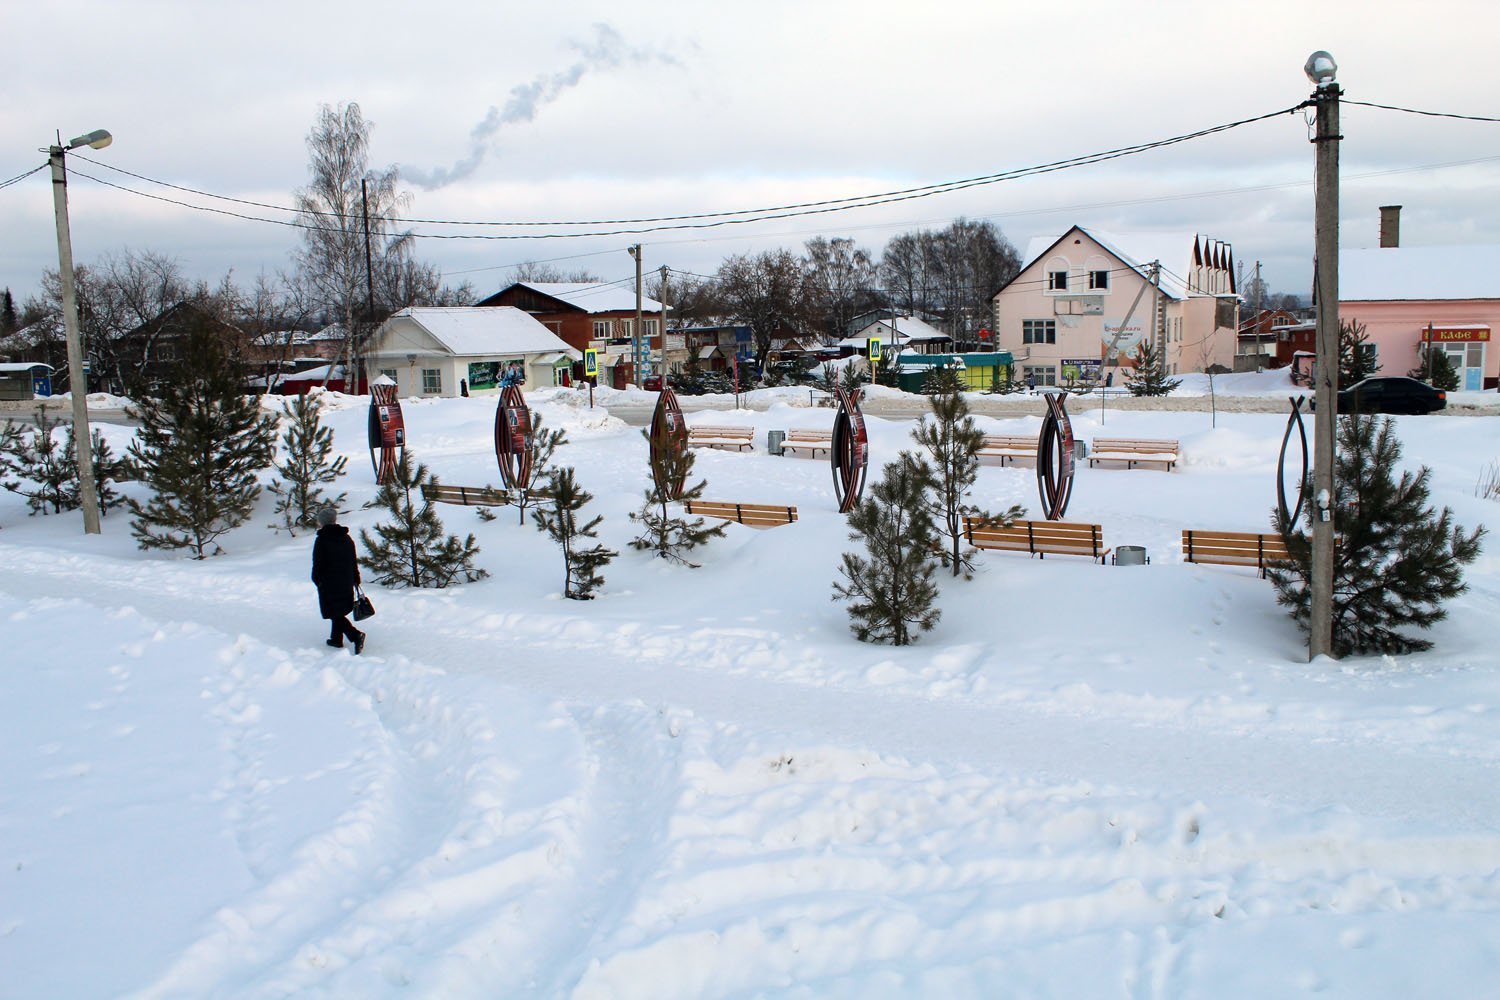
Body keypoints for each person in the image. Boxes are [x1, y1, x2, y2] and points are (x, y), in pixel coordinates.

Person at [311, 506, 365, 654]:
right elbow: (353, 561)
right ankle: (336, 639)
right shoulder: (346, 538)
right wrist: (355, 578)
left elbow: (317, 564)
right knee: (338, 610)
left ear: (323, 522)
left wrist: (317, 580)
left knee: (335, 612)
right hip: (346, 581)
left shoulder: (322, 540)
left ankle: (355, 635)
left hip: (329, 583)